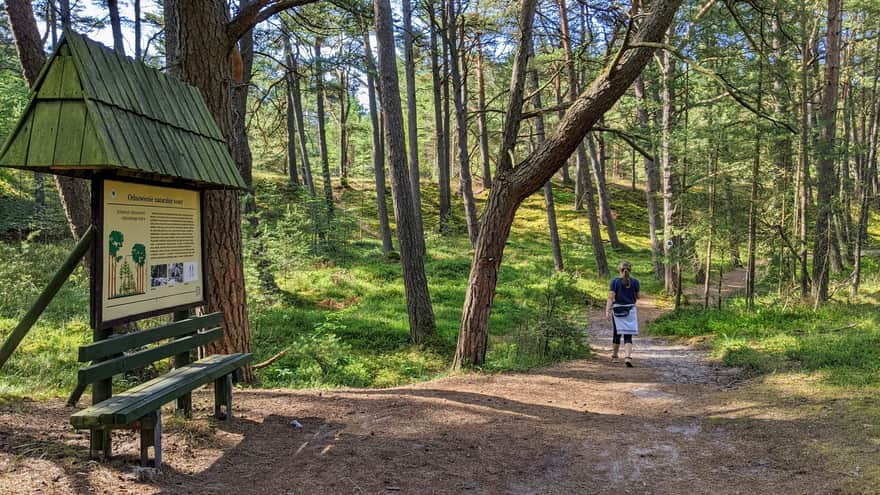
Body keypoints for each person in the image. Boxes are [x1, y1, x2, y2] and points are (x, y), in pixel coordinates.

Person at [605, 261, 640, 367]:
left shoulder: (614, 282)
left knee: (617, 333)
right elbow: (638, 296)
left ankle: (615, 356)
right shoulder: (635, 282)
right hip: (630, 310)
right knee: (628, 335)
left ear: (619, 270)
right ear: (630, 270)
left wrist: (607, 311)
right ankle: (628, 357)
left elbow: (611, 298)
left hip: (618, 310)